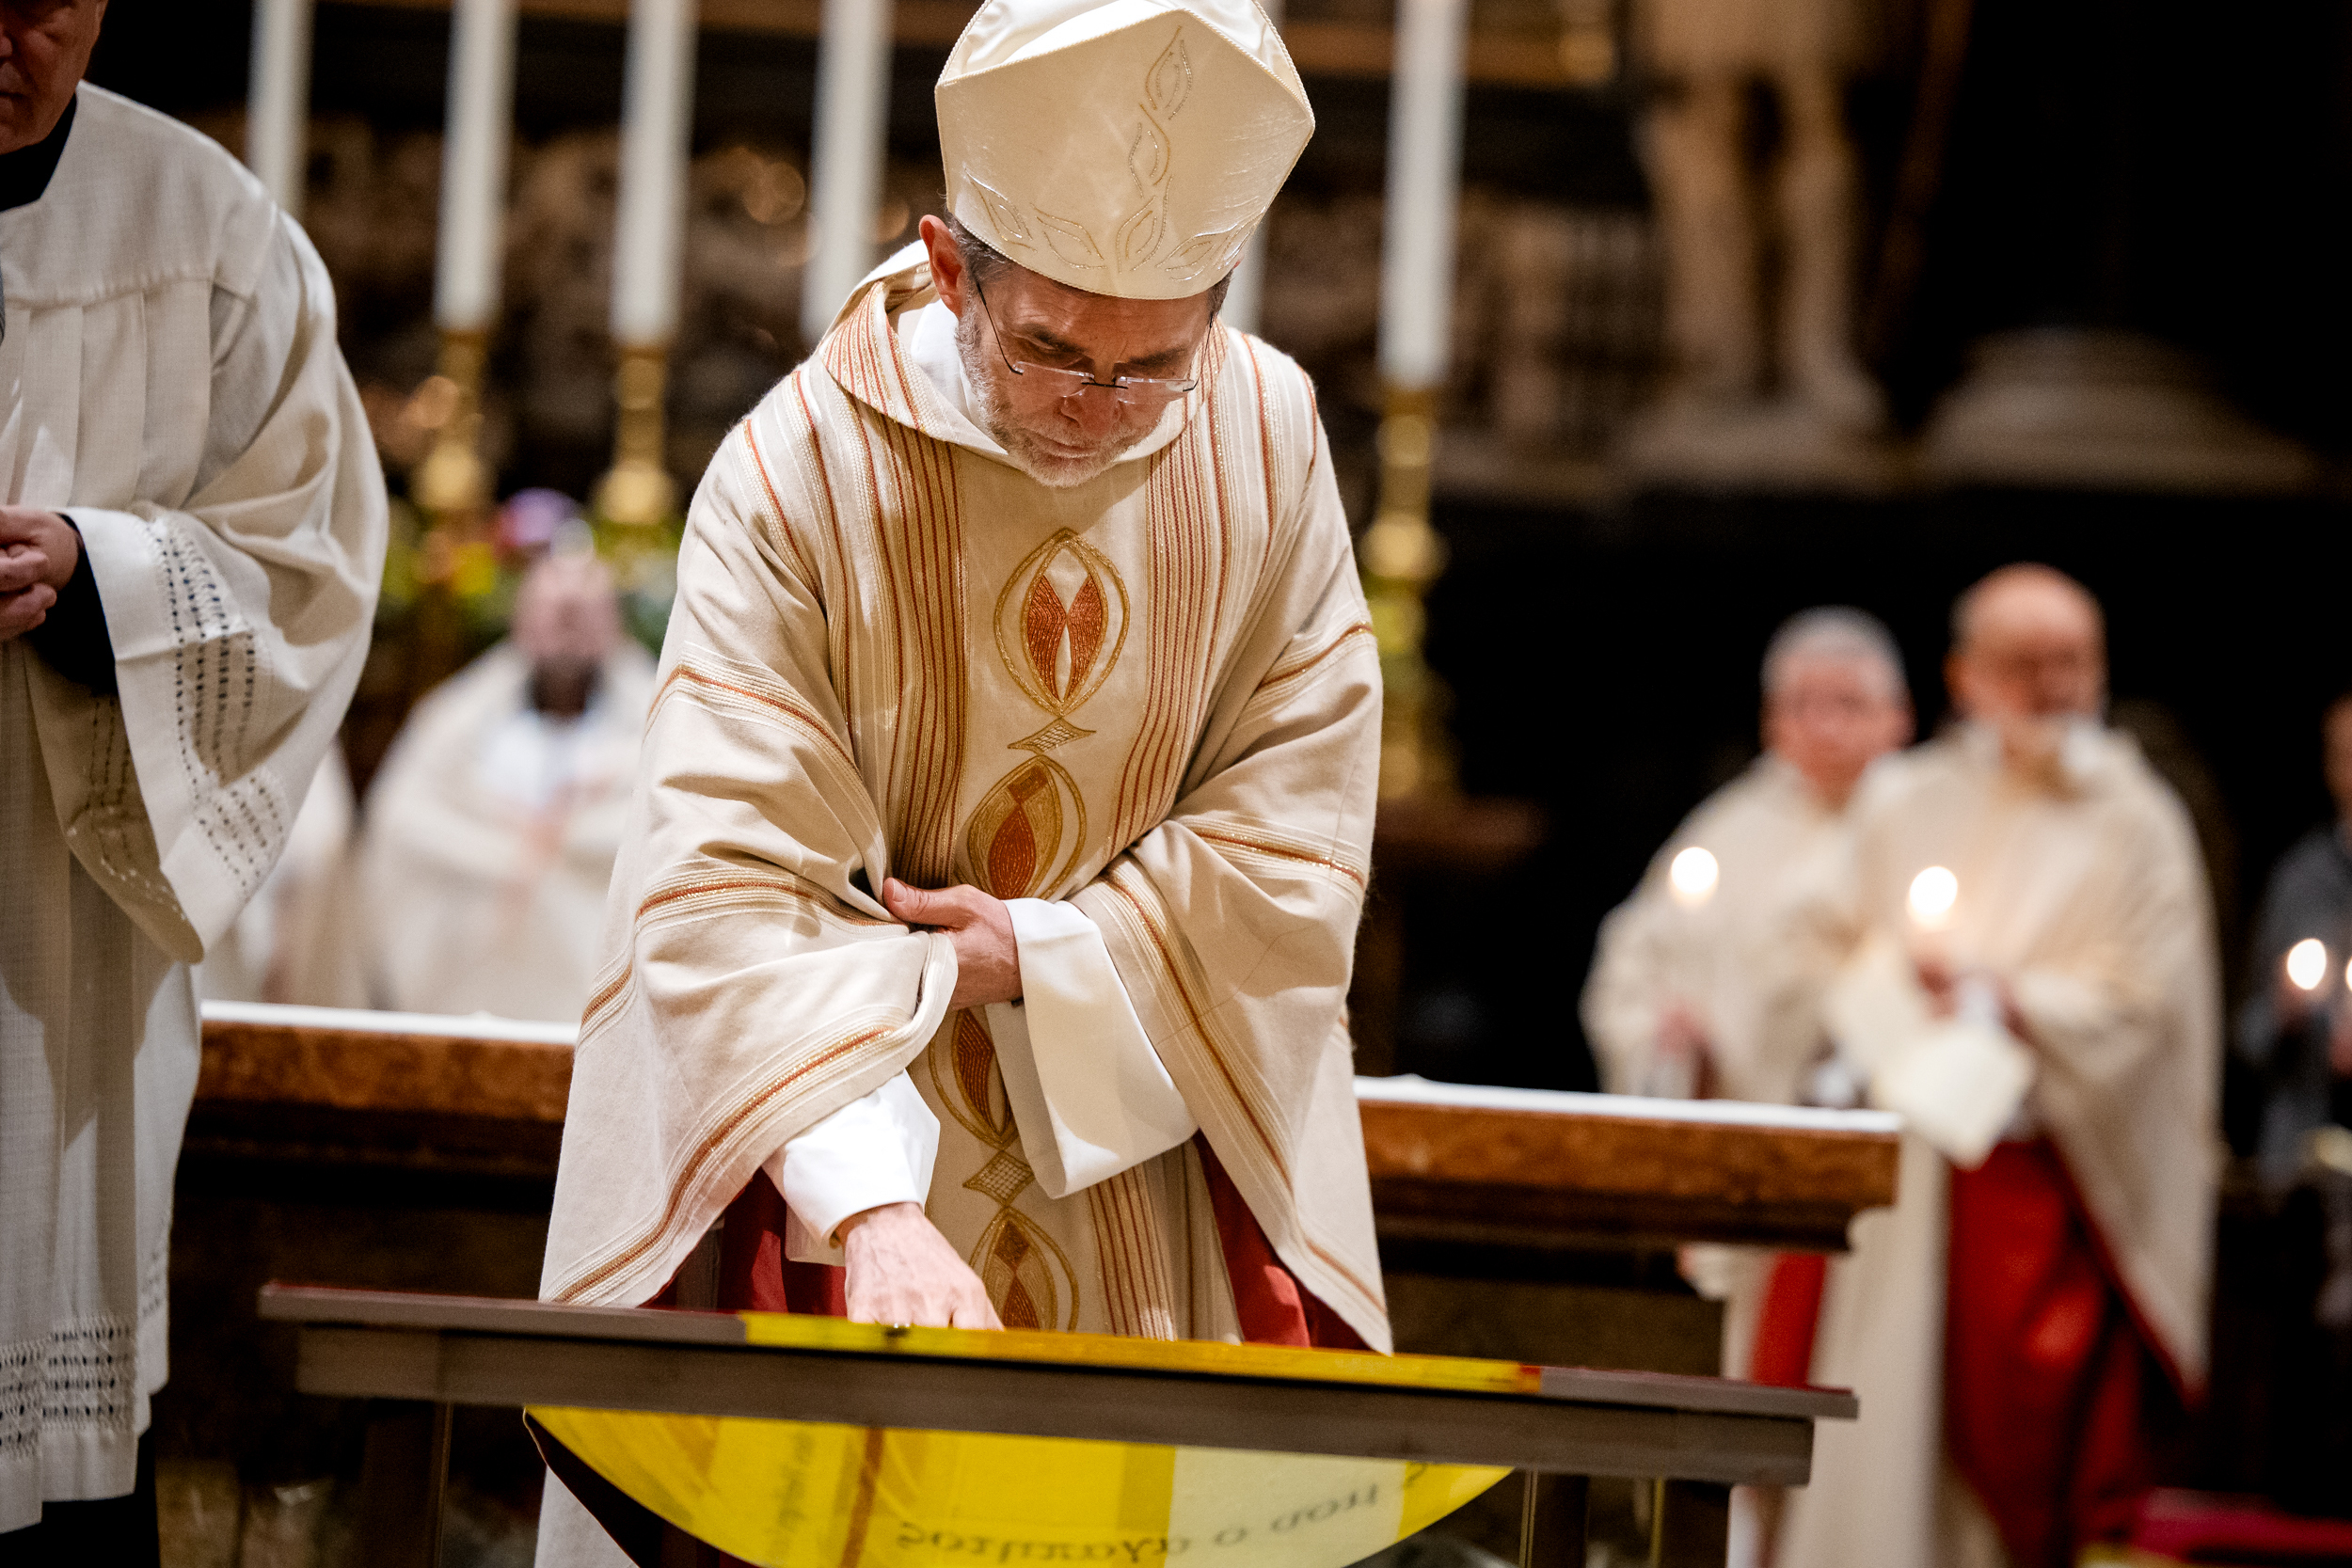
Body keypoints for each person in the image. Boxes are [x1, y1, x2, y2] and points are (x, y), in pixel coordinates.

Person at [534, 3, 1371, 1559]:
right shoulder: (799, 469)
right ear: (945, 264)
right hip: (850, 1144)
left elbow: (1297, 821)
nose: (1095, 408)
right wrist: (870, 1210)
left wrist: (1046, 953)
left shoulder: (1264, 439)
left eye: (1152, 365)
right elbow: (725, 877)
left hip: (1136, 1157)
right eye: (1052, 350)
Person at [0, 2, 388, 1552]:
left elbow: (314, 572)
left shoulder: (207, 233)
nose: (12, 36)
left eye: (49, 3)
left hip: (57, 975)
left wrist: (101, 579)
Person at [1784, 564, 2218, 1568]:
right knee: (1881, 1437)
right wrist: (1886, 1004)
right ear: (1964, 675)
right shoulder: (1905, 797)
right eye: (2024, 663)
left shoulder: (2137, 820)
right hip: (1904, 1177)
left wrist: (2011, 1002)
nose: (2052, 687)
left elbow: (2150, 1004)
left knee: (2008, 1472)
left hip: (2036, 1181)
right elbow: (1820, 949)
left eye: (2072, 662)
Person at [1583, 605, 1913, 1109]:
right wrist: (1666, 1041)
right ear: (1770, 721)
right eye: (1801, 706)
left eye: (1850, 705)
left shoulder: (1929, 816)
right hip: (1752, 1112)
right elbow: (1635, 964)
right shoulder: (1727, 830)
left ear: (1898, 716)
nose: (1825, 728)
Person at [350, 550, 654, 1022]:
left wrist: (566, 839)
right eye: (555, 614)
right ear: (523, 621)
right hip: (471, 981)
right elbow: (403, 822)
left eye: (582, 615)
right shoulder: (456, 723)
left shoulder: (655, 727)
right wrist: (506, 850)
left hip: (595, 977)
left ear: (613, 625)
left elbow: (669, 825)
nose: (567, 630)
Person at [2236, 690, 2352, 1186]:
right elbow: (2247, 1037)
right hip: (2304, 1160)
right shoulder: (2298, 880)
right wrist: (2284, 1011)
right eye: (2345, 755)